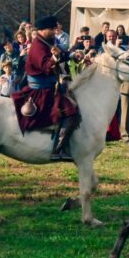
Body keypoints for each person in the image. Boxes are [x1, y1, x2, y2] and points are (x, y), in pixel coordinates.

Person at [11, 16, 79, 161]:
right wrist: (55, 58)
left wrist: (73, 55)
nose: (55, 32)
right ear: (44, 30)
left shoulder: (47, 41)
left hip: (49, 86)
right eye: (52, 29)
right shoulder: (37, 46)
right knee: (70, 112)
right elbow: (46, 67)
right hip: (41, 90)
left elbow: (60, 53)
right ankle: (58, 150)